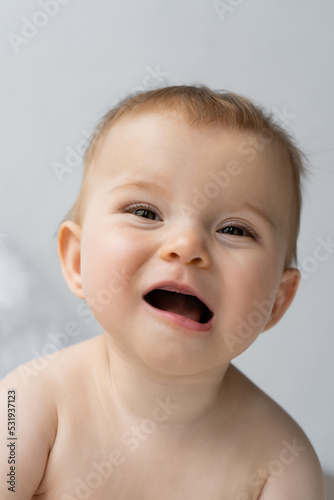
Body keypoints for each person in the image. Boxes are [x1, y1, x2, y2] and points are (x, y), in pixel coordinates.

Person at [0, 85, 325, 499]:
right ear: (78, 261)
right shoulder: (24, 406)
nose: (187, 246)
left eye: (234, 230)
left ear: (276, 301)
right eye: (145, 213)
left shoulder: (281, 465)